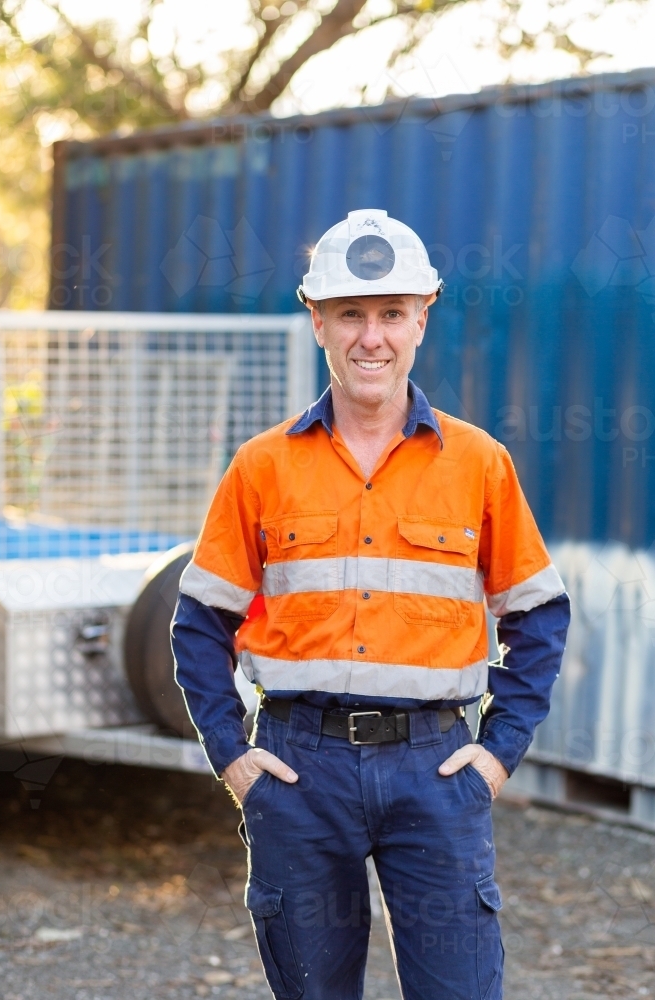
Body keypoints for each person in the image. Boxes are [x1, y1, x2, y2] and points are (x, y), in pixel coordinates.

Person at [171, 209, 570, 1000]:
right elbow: (199, 621)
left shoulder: (478, 463)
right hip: (296, 770)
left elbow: (538, 615)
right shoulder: (261, 466)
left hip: (434, 769)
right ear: (317, 320)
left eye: (391, 313)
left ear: (422, 317)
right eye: (350, 314)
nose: (371, 337)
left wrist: (495, 754)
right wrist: (233, 758)